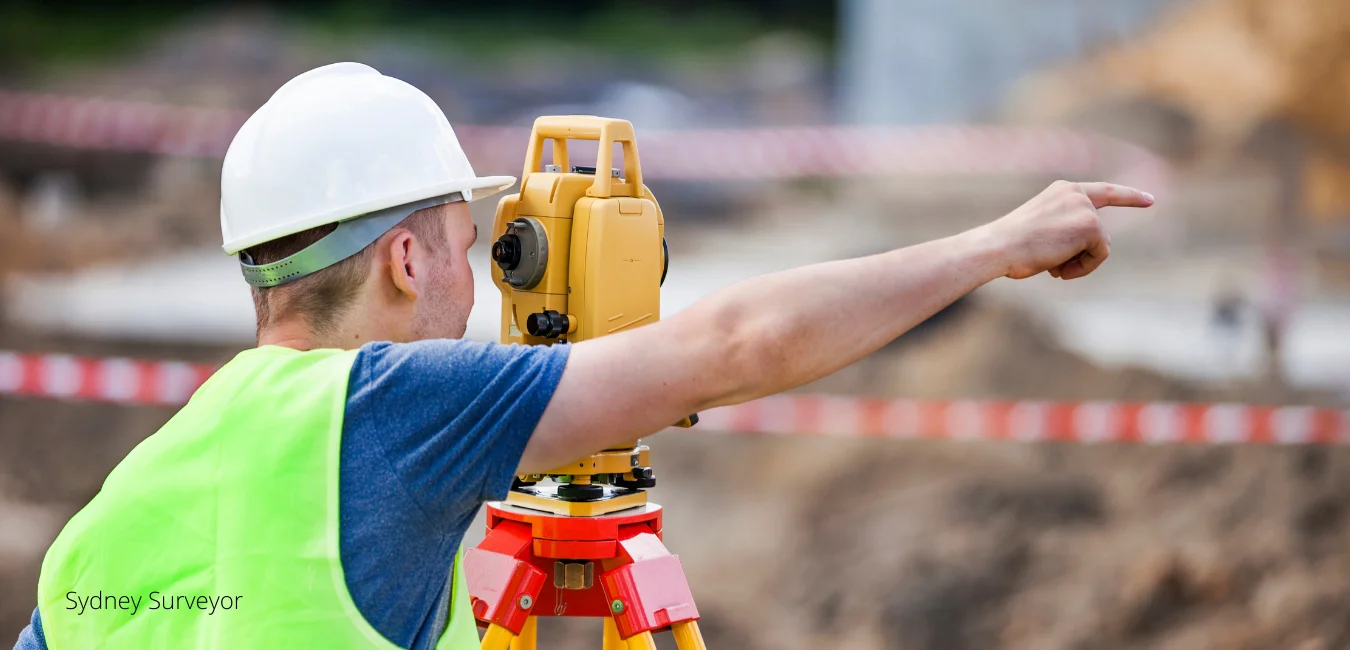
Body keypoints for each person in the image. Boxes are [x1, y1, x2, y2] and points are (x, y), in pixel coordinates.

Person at [15, 62, 1153, 649]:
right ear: (407, 258)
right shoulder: (397, 409)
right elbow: (736, 343)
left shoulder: (134, 495)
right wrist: (995, 242)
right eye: (471, 246)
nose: (480, 280)